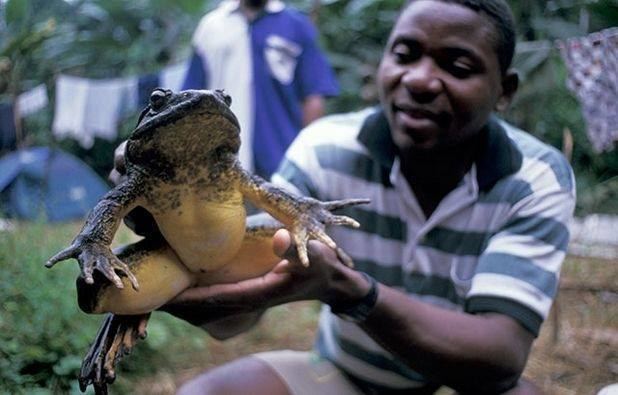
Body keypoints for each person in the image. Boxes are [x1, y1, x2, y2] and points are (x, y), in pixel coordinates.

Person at [158, 0, 576, 394]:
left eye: (458, 66)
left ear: (505, 90)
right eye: (405, 54)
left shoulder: (534, 178)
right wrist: (176, 232)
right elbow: (231, 319)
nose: (419, 79)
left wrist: (350, 291)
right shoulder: (323, 150)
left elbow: (499, 358)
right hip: (344, 376)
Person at [181, 0, 340, 179]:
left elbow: (313, 97)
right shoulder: (211, 27)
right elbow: (191, 101)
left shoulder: (296, 25)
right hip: (221, 164)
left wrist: (308, 159)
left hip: (282, 161)